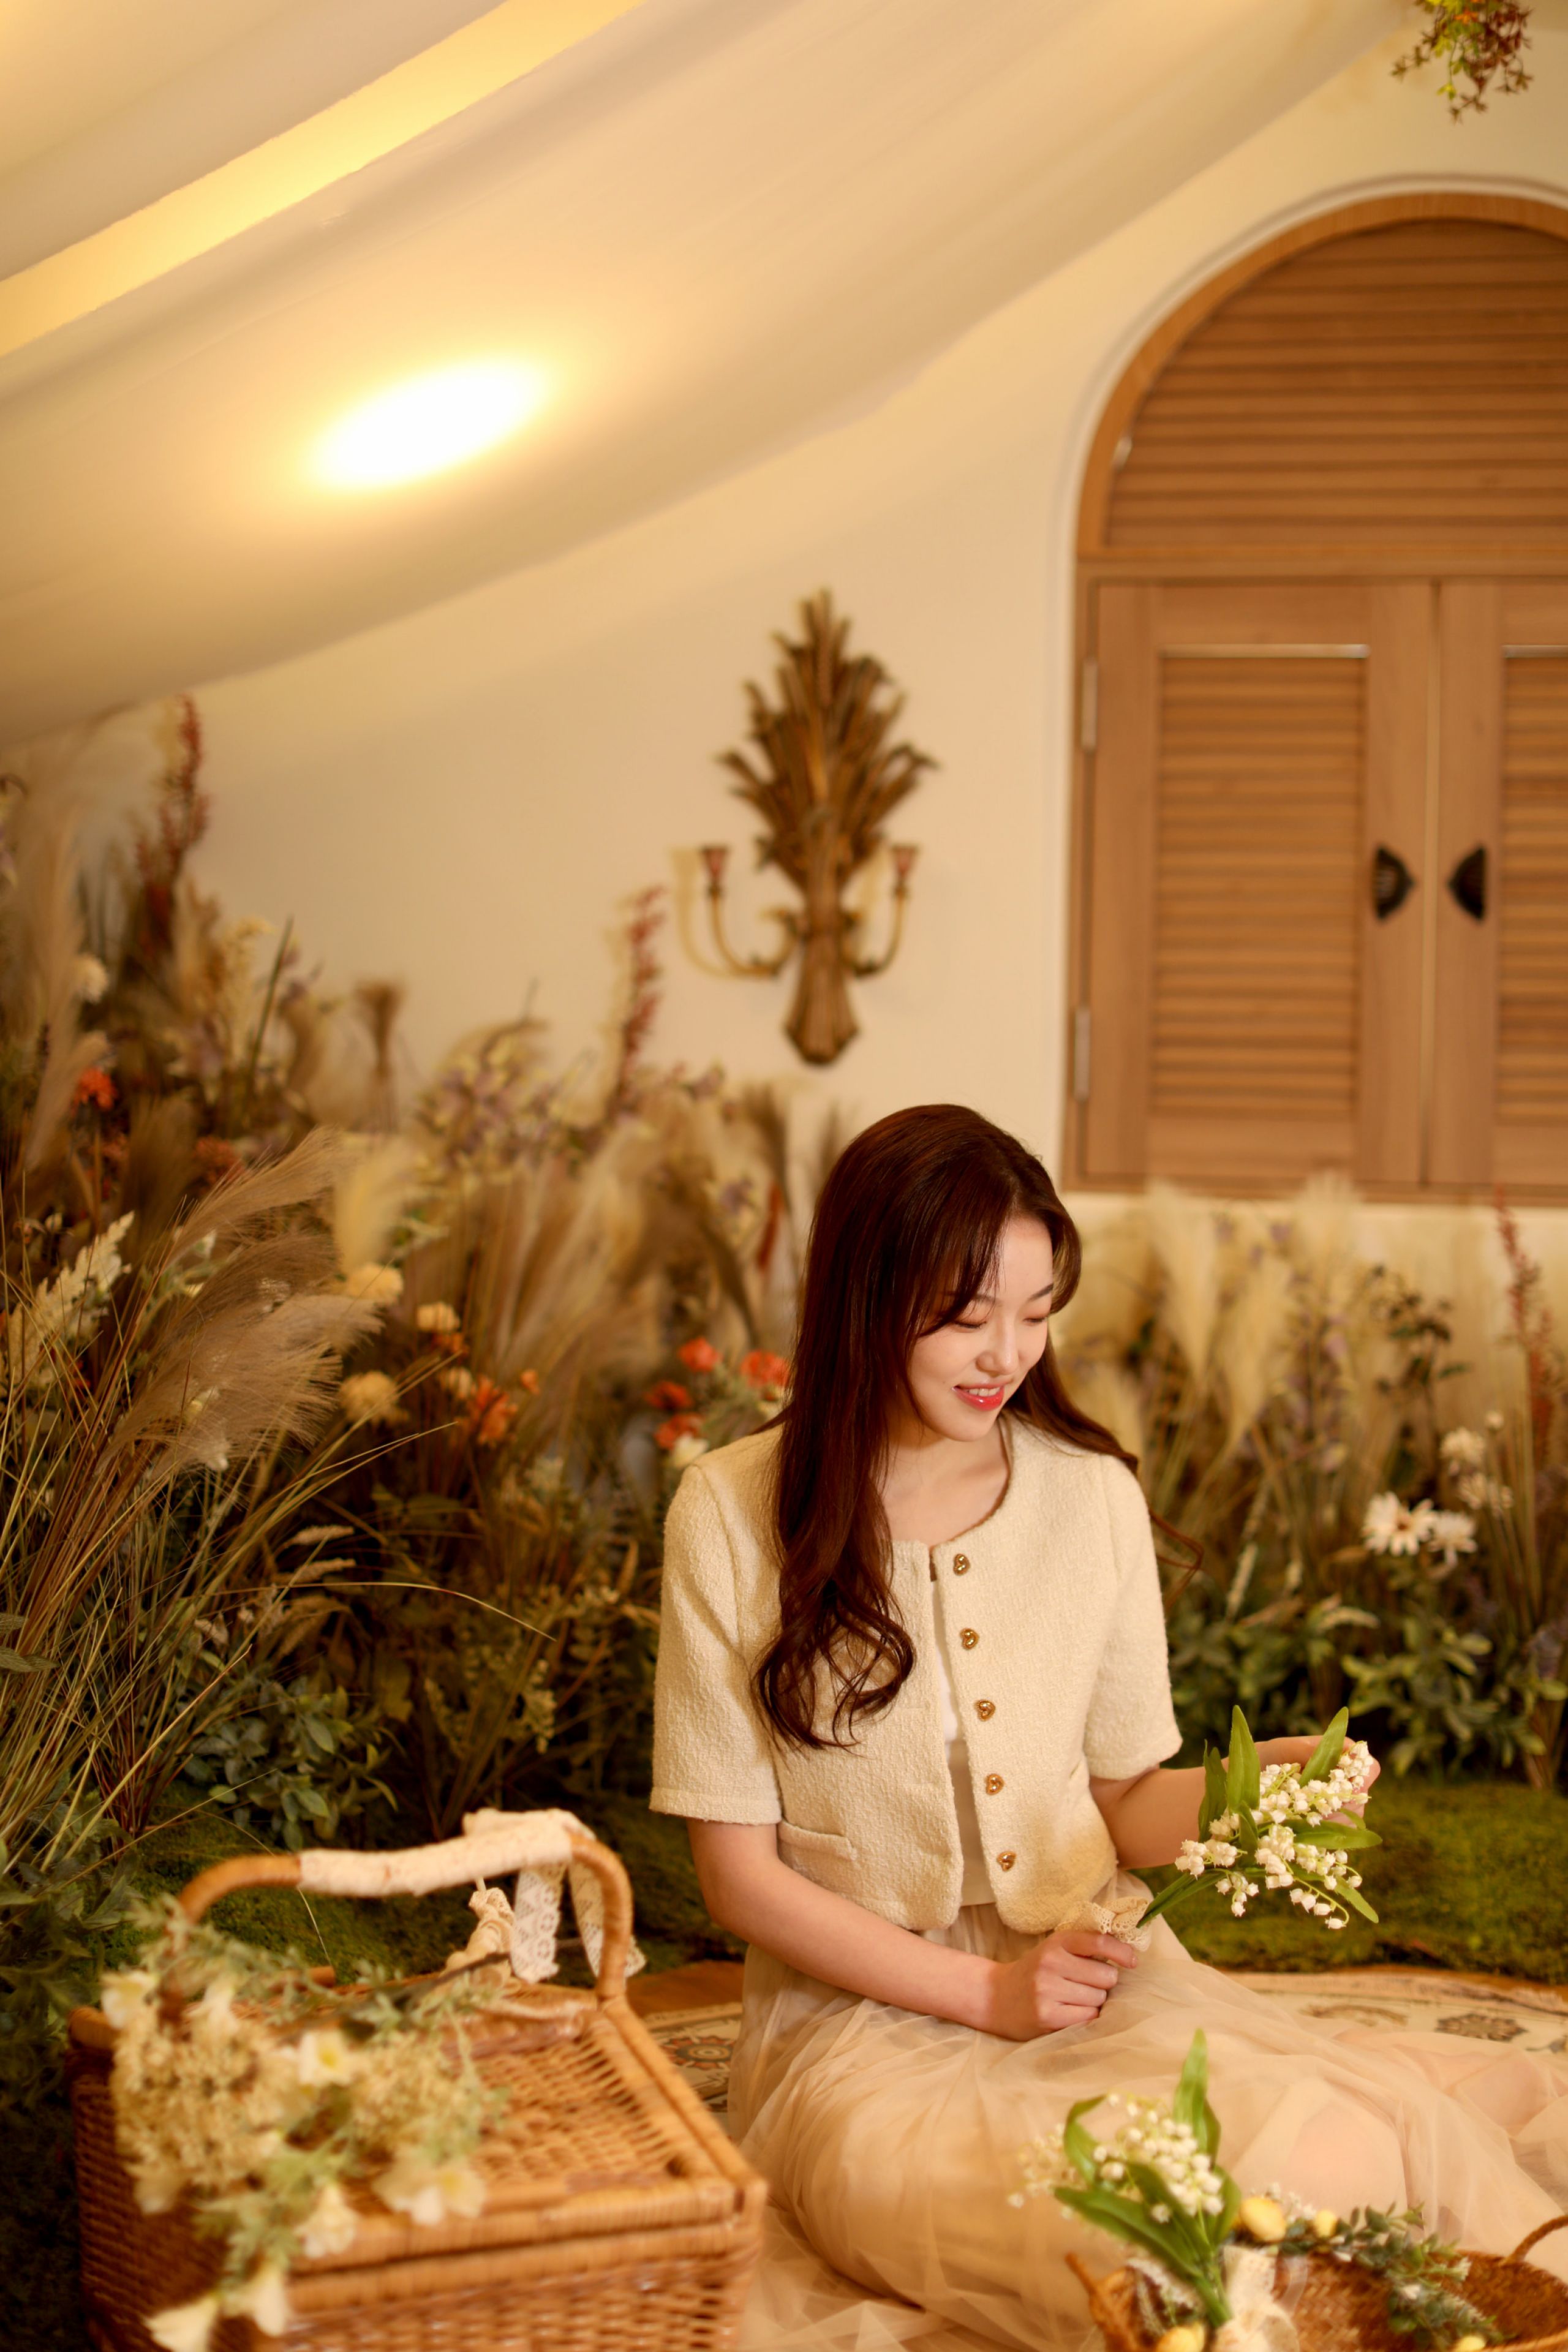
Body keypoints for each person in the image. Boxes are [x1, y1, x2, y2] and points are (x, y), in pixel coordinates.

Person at [652, 1106, 1568, 2351]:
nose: (1007, 1353)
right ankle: (1425, 2092)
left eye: (1036, 1312)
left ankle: (1421, 2094)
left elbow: (1127, 1802)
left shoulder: (1090, 1498)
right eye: (967, 1316)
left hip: (1096, 1981)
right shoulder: (727, 1512)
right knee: (1153, 2241)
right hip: (856, 2034)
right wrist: (988, 1994)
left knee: (1338, 2165)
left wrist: (1257, 1788)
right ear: (865, 1300)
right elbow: (738, 1880)